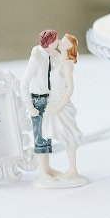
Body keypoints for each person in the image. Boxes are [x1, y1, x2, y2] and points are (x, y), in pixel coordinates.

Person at [41, 33, 87, 187]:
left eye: (64, 41)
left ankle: (72, 170)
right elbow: (49, 50)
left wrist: (60, 106)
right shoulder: (59, 60)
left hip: (61, 104)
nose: (60, 41)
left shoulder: (67, 65)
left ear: (69, 46)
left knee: (69, 136)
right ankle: (68, 170)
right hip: (53, 102)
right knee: (62, 135)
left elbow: (70, 88)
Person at [20, 29, 59, 178]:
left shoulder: (47, 54)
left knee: (47, 135)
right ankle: (43, 172)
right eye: (55, 40)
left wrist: (53, 52)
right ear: (49, 42)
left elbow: (63, 59)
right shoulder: (36, 58)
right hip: (38, 100)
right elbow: (24, 83)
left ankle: (47, 168)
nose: (58, 42)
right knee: (40, 138)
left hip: (48, 99)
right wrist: (30, 106)